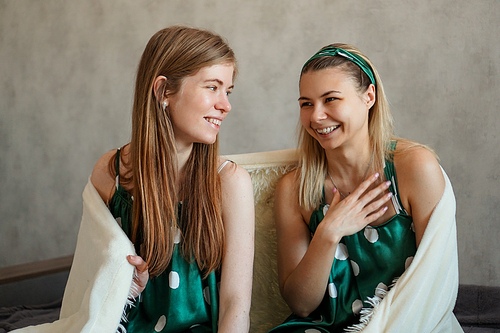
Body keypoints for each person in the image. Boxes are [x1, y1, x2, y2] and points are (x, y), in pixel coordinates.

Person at [269, 44, 461, 332]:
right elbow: (302, 304)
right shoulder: (294, 189)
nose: (316, 116)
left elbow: (436, 283)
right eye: (306, 103)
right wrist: (327, 234)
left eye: (330, 99)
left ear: (368, 96)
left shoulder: (414, 167)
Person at [90, 26, 254, 333]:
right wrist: (128, 288)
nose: (226, 105)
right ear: (164, 91)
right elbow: (93, 286)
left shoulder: (230, 182)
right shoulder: (110, 173)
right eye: (212, 87)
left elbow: (235, 303)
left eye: (228, 91)